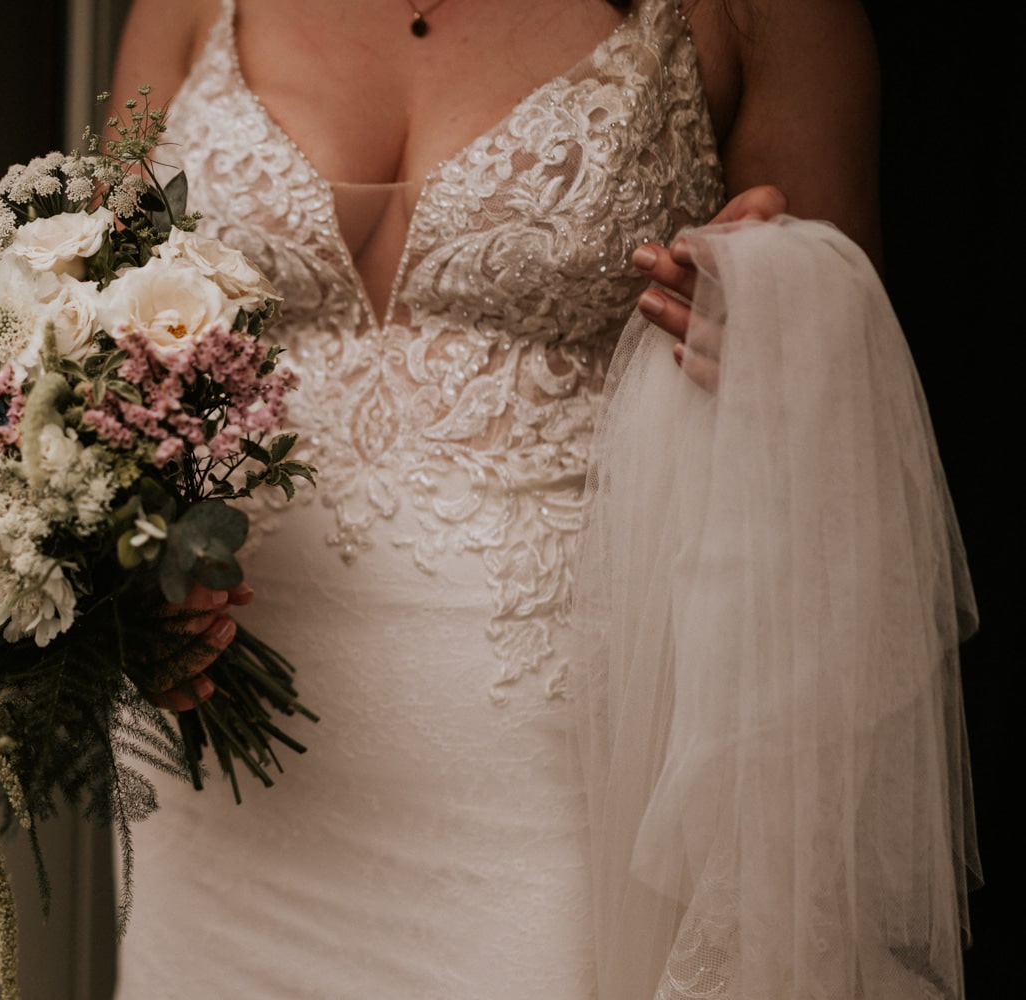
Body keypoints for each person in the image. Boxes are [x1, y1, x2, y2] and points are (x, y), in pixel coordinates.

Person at [105, 1, 965, 997]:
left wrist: (776, 303)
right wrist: (107, 573)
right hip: (219, 771)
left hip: (555, 780)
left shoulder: (763, 14)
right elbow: (85, 352)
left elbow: (849, 432)